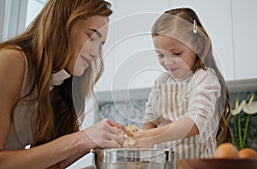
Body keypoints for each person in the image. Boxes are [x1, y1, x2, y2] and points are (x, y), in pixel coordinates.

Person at [0, 0, 127, 168]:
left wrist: (93, 142)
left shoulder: (61, 84)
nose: (96, 53)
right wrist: (82, 139)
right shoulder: (10, 61)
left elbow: (49, 165)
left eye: (101, 44)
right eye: (91, 37)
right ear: (62, 28)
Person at [135, 7, 232, 162]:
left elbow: (194, 123)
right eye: (160, 55)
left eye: (176, 53)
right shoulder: (161, 82)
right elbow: (150, 120)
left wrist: (149, 137)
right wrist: (141, 141)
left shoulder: (204, 78)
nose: (167, 62)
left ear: (197, 47)